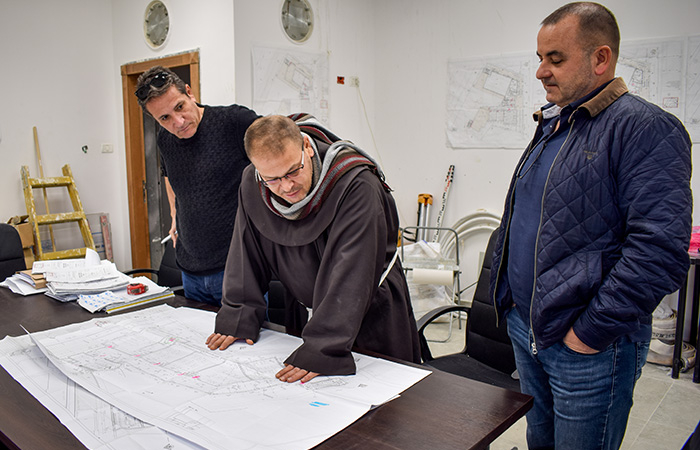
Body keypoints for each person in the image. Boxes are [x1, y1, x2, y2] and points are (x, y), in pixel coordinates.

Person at [489, 3, 692, 449]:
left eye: (555, 59)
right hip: (530, 330)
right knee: (540, 438)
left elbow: (659, 251)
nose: (541, 72)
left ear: (601, 59)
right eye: (539, 58)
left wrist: (588, 334)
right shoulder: (556, 123)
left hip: (586, 346)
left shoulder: (645, 128)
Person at [206, 114, 421, 383]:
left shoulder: (356, 185)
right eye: (272, 179)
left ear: (307, 147)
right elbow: (245, 251)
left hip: (370, 317)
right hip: (308, 320)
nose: (286, 187)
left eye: (293, 171)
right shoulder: (254, 181)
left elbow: (353, 271)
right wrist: (238, 315)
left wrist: (322, 347)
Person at [134, 66, 259, 306]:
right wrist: (174, 215)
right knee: (200, 341)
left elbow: (277, 152)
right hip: (190, 270)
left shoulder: (234, 122)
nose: (178, 122)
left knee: (245, 340)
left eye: (179, 107)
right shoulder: (165, 139)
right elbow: (168, 175)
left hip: (237, 267)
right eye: (164, 118)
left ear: (189, 92)